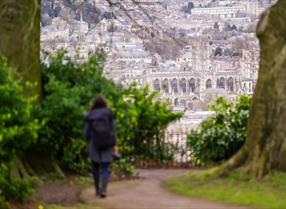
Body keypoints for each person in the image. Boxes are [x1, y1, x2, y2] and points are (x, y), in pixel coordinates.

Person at [83, 95, 117, 198]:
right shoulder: (109, 113)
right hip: (107, 143)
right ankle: (104, 190)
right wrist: (114, 143)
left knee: (95, 167)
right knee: (106, 168)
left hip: (94, 143)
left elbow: (86, 132)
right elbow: (113, 130)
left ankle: (97, 189)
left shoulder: (90, 115)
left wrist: (89, 140)